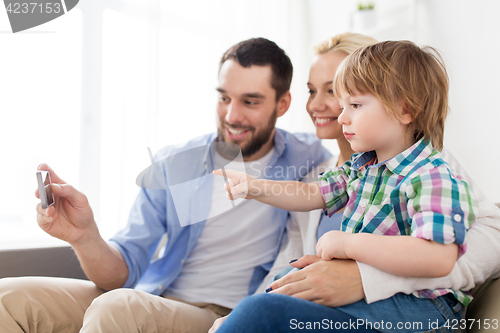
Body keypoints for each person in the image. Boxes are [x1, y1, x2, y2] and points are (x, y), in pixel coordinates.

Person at [0, 38, 334, 333]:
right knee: (8, 297)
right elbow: (121, 273)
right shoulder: (175, 164)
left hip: (221, 314)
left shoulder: (310, 159)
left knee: (117, 308)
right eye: (223, 98)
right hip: (152, 295)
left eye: (250, 101)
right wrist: (84, 236)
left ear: (283, 104)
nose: (231, 115)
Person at [214, 40, 480, 332]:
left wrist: (349, 244)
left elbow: (439, 257)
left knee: (261, 311)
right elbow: (311, 193)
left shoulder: (432, 176)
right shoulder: (362, 167)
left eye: (354, 105)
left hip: (423, 309)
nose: (342, 117)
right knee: (287, 277)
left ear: (406, 110)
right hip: (381, 301)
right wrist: (255, 186)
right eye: (343, 106)